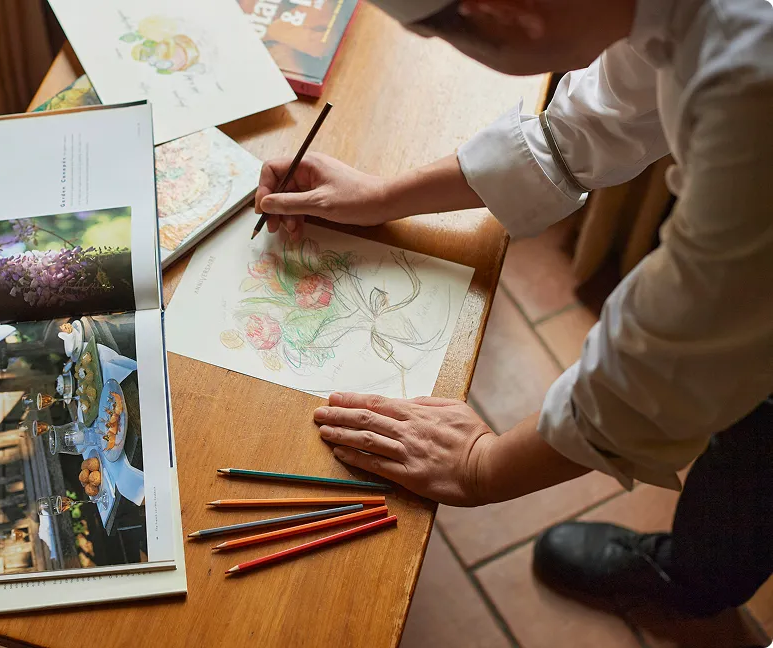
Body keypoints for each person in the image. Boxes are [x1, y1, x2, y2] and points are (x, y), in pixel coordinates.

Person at [254, 0, 773, 619]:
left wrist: (483, 468)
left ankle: (696, 582)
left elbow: (676, 364)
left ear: (506, 15)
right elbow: (583, 130)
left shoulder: (751, 87)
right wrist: (381, 197)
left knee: (757, 449)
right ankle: (702, 567)